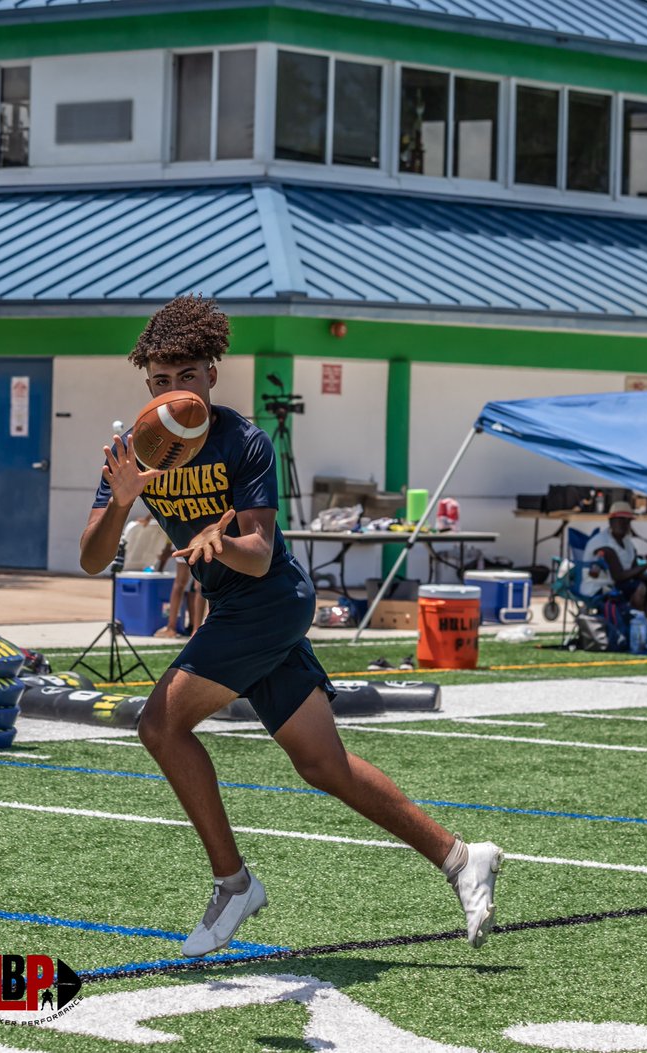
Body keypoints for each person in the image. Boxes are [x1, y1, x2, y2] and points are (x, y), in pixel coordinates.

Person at [79, 295, 502, 957]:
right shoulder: (135, 452)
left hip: (269, 600)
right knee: (322, 763)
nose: (173, 394)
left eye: (185, 376)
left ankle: (234, 882)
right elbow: (89, 557)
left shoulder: (243, 441)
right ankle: (460, 857)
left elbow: (259, 553)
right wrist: (123, 501)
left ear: (212, 375)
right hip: (243, 612)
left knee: (160, 724)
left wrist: (224, 543)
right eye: (159, 381)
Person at [578, 501, 647, 620]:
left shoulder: (627, 542)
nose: (624, 524)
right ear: (611, 521)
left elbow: (633, 568)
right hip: (600, 588)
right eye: (620, 520)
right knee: (640, 588)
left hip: (617, 584)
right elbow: (618, 575)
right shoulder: (602, 543)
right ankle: (633, 624)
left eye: (627, 521)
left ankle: (642, 624)